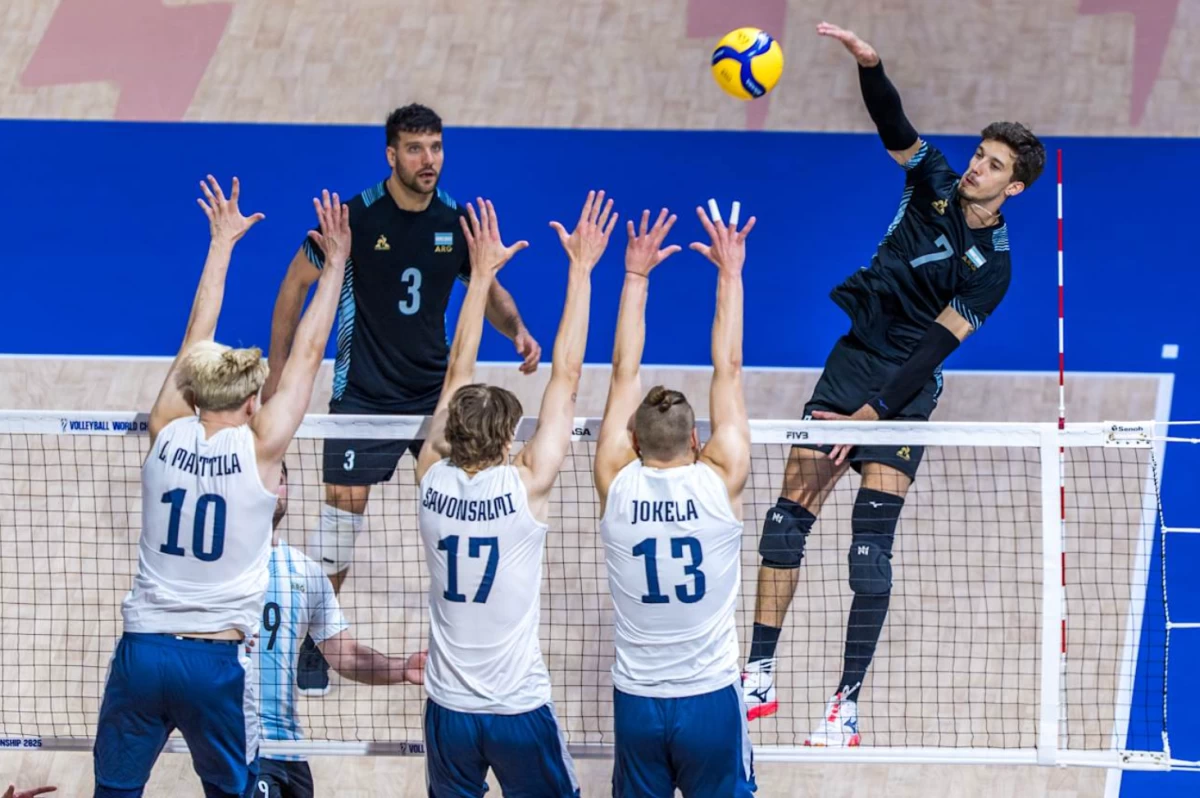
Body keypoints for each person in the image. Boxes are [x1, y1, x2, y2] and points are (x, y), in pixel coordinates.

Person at [741, 21, 1047, 747]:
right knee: (787, 520)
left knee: (868, 552)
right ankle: (757, 672)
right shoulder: (934, 180)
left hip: (903, 390)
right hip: (854, 358)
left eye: (994, 164)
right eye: (980, 154)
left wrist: (874, 417)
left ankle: (844, 705)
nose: (977, 167)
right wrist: (870, 65)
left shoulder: (993, 268)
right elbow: (894, 123)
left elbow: (935, 348)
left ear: (1016, 186)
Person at [261, 103, 541, 694]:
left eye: (436, 148)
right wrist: (277, 375)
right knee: (342, 516)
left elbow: (488, 288)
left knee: (457, 511)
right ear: (391, 155)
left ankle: (466, 635)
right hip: (363, 391)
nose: (428, 161)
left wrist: (515, 328)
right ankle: (316, 640)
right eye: (415, 150)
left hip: (433, 395)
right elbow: (293, 287)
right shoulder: (355, 218)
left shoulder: (454, 221)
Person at [91, 180, 351, 798]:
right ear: (253, 400)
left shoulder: (165, 433)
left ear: (199, 392)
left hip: (143, 653)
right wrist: (336, 266)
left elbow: (193, 341)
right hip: (212, 665)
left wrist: (221, 245)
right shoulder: (261, 454)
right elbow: (310, 354)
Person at [417, 191, 615, 797]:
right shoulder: (527, 484)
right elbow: (569, 375)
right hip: (516, 707)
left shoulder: (429, 478)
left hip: (448, 708)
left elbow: (457, 371)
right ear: (508, 439)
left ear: (450, 434)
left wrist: (478, 277)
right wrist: (580, 271)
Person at [594, 203, 757, 797]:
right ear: (697, 439)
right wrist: (729, 272)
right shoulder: (721, 478)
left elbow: (621, 371)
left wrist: (635, 276)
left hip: (638, 702)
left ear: (633, 441)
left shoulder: (617, 479)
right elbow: (730, 368)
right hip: (710, 698)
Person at [254, 462, 427, 798]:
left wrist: (403, 668)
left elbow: (345, 655)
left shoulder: (306, 574)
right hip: (243, 746)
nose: (275, 487)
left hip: (291, 750)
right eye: (265, 478)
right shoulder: (220, 565)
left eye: (282, 479)